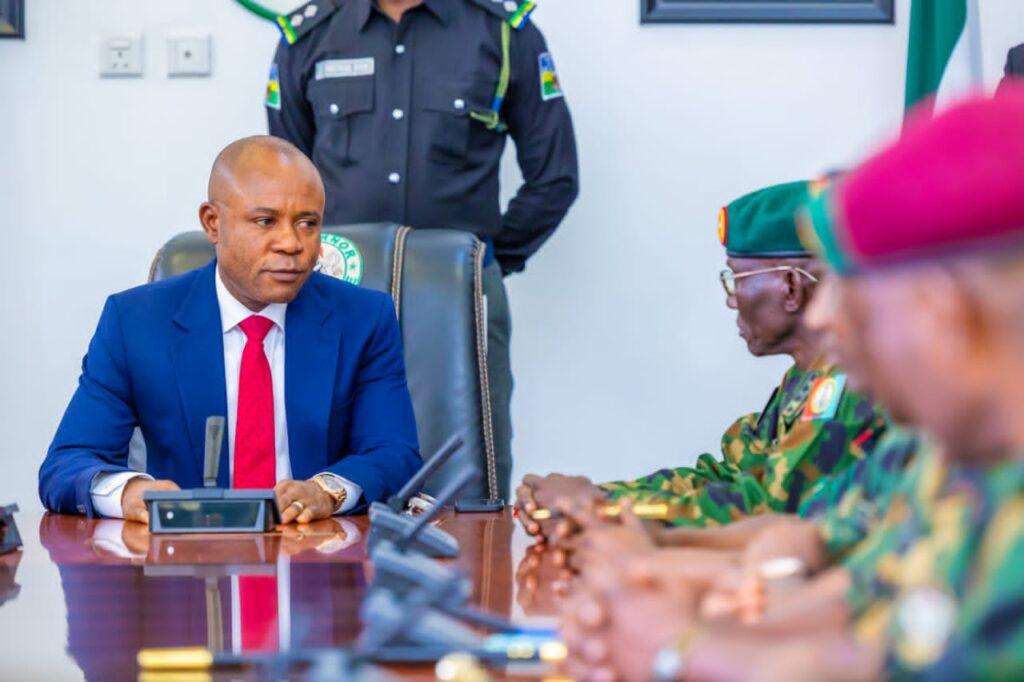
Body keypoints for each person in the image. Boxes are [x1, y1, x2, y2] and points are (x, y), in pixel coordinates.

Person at [560, 89, 1024, 681]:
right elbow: (848, 588)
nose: (824, 316)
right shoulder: (960, 458)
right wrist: (674, 585)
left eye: (855, 298)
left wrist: (678, 649)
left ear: (943, 316)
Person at [266, 0, 581, 498]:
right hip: (338, 297)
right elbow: (288, 179)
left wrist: (479, 262)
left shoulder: (503, 33)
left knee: (470, 464)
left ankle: (474, 556)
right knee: (324, 465)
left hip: (458, 297)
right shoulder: (309, 35)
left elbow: (554, 177)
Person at [39, 136, 420, 524]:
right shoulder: (135, 322)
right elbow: (68, 465)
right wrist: (130, 493)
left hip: (313, 546)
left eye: (307, 223)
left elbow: (394, 453)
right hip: (188, 549)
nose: (291, 243)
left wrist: (326, 491)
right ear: (213, 223)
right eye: (265, 221)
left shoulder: (363, 319)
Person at [516, 181, 888, 535]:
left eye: (736, 279)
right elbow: (730, 477)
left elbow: (767, 509)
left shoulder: (845, 383)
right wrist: (593, 496)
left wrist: (598, 509)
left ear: (790, 287)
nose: (731, 299)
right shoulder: (803, 380)